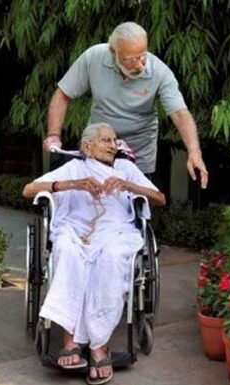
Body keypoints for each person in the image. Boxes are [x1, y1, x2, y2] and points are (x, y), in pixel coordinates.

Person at [23, 123, 165, 385]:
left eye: (114, 140)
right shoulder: (75, 167)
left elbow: (159, 198)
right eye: (105, 140)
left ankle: (100, 344)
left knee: (111, 258)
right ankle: (72, 341)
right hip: (76, 228)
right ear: (87, 146)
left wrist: (127, 185)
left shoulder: (126, 169)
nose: (113, 145)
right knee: (66, 249)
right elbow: (29, 190)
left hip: (115, 230)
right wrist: (72, 184)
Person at [43, 21, 209, 189]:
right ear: (113, 52)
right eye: (130, 59)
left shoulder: (160, 72)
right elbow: (62, 95)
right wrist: (54, 135)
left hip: (139, 154)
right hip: (98, 149)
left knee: (135, 207)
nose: (139, 64)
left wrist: (194, 150)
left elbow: (180, 113)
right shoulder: (93, 57)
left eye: (142, 55)